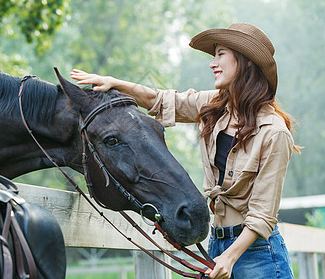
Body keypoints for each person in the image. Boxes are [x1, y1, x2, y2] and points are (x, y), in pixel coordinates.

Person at [70, 23, 300, 279]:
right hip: (218, 244)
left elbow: (262, 215)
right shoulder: (214, 106)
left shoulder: (275, 132)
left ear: (247, 61)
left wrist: (230, 257)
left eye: (221, 54)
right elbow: (161, 101)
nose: (213, 62)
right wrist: (115, 83)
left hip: (257, 255)